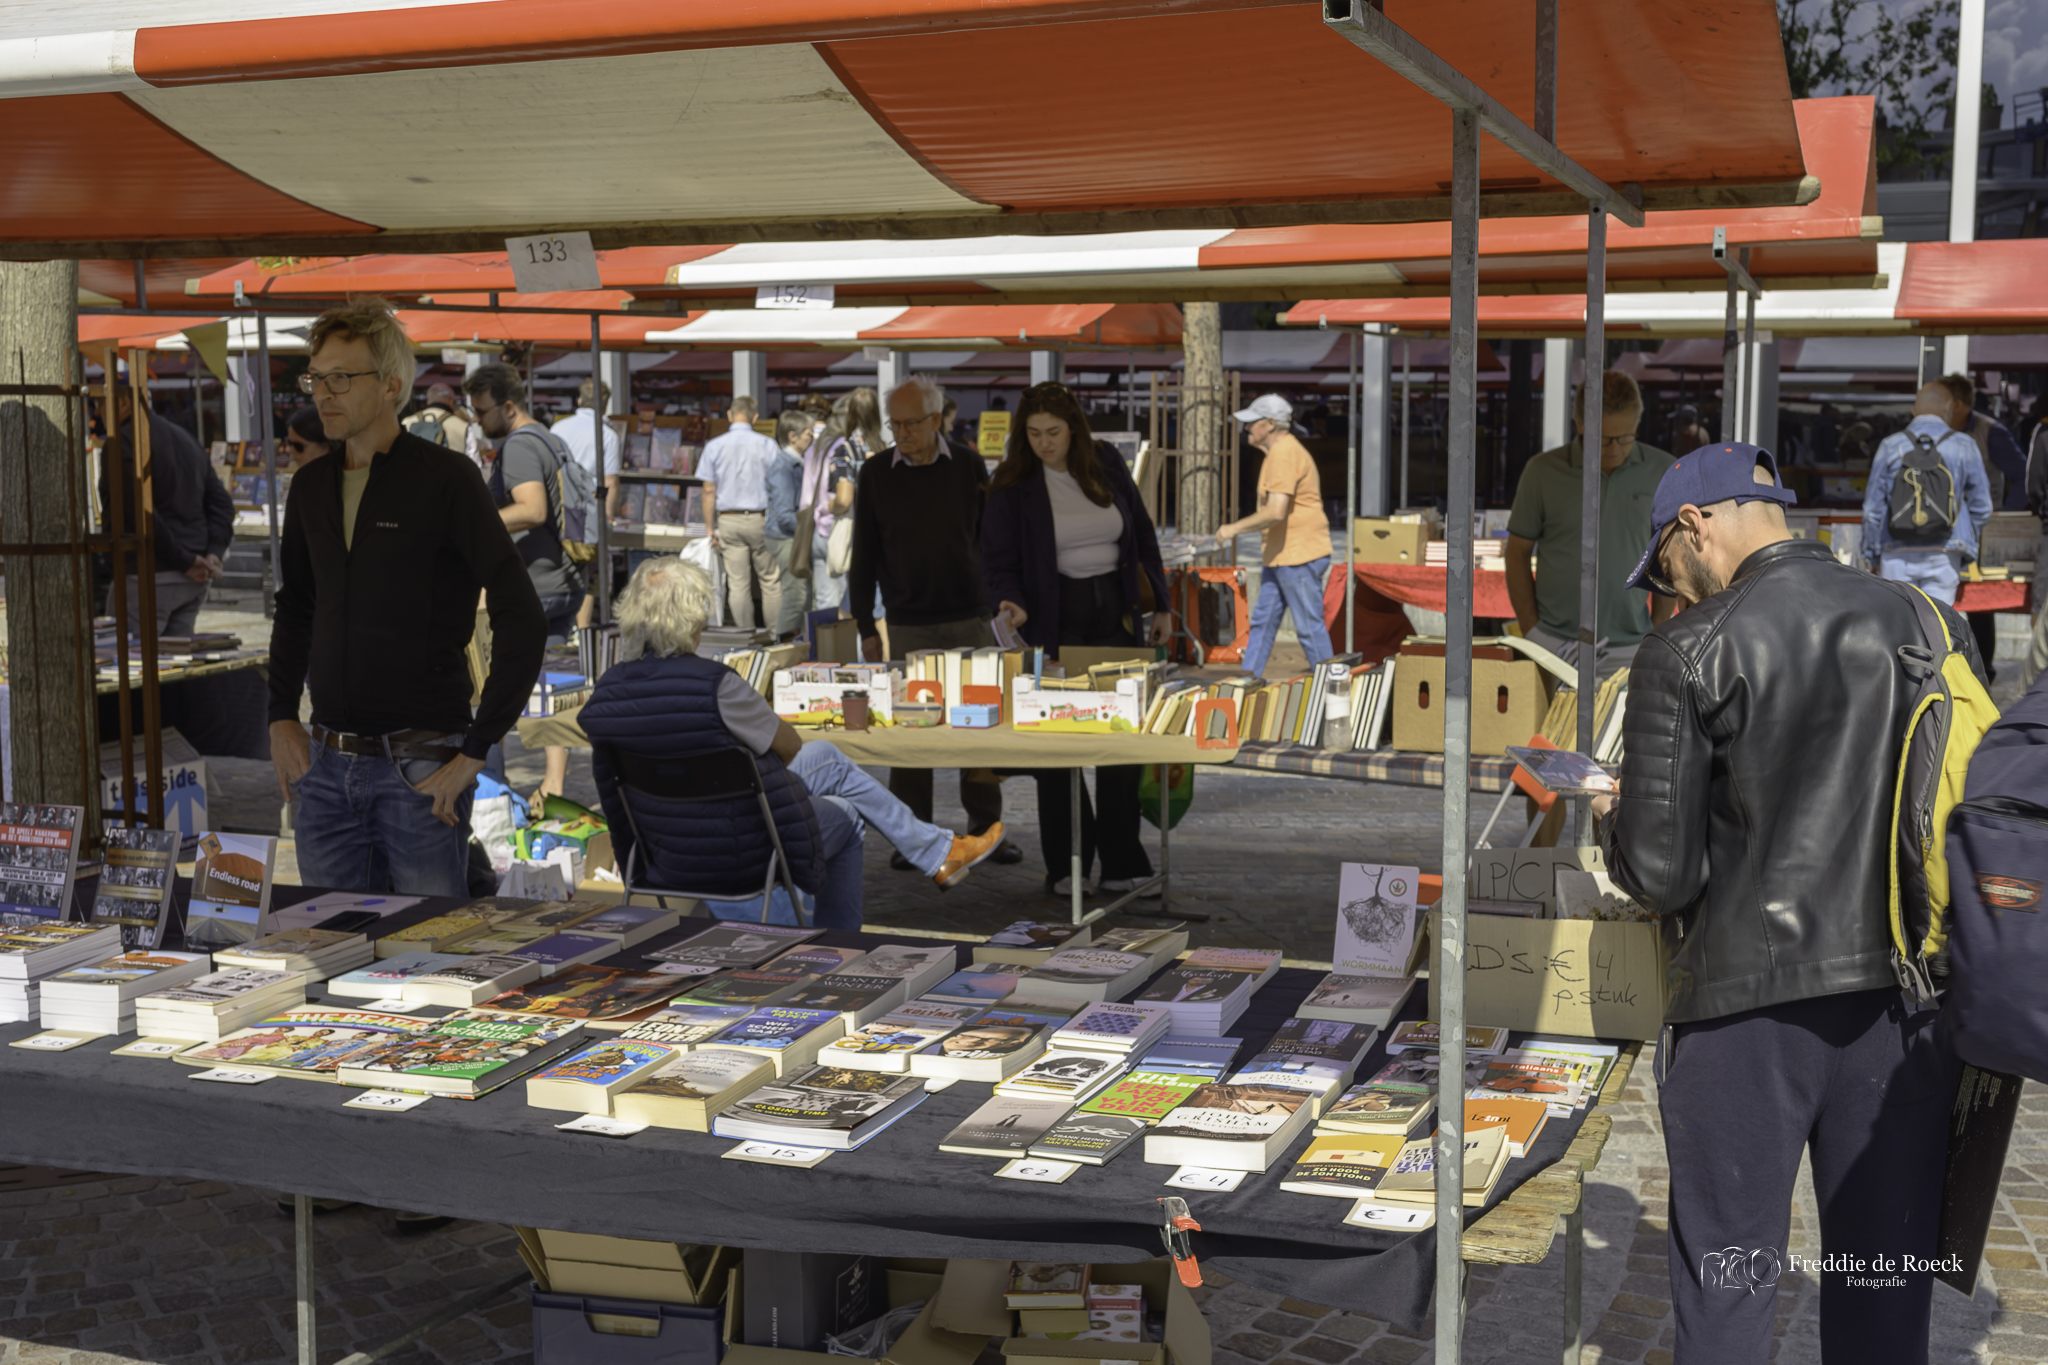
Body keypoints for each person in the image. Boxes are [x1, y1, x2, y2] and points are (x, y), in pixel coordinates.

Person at [1594, 440, 1977, 1365]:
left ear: (1695, 524)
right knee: (1884, 1298)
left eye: (1669, 565)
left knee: (1727, 1290)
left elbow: (1661, 875)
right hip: (1902, 1000)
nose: (1672, 588)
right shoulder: (1924, 618)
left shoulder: (1685, 646)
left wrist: (1612, 811)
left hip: (1740, 1018)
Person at [269, 297, 545, 899]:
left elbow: (521, 614)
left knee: (426, 958)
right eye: (316, 377)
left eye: (342, 377)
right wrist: (281, 716)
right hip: (326, 760)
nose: (324, 393)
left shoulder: (447, 479)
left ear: (391, 384)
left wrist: (477, 750)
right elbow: (296, 606)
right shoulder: (311, 484)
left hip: (421, 767)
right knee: (329, 950)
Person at [576, 557, 1003, 929]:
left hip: (662, 852)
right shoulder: (716, 686)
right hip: (742, 850)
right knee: (844, 804)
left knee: (824, 760)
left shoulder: (607, 693)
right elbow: (788, 747)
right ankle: (848, 936)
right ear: (693, 619)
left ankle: (936, 849)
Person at [983, 382, 1169, 899]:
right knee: (1058, 748)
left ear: (1074, 430)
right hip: (1052, 621)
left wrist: (1165, 607)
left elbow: (1143, 535)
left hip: (1117, 617)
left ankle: (1121, 861)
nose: (1045, 443)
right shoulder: (1011, 483)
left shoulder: (1105, 462)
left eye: (1054, 433)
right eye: (1034, 433)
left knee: (1122, 742)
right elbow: (996, 563)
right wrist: (1009, 601)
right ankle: (1067, 864)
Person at [848, 374, 1017, 864]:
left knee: (979, 727)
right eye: (894, 423)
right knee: (909, 735)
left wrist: (998, 600)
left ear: (936, 417)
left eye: (911, 423)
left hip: (969, 614)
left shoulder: (966, 463)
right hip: (907, 618)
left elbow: (990, 540)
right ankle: (911, 836)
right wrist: (865, 625)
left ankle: (987, 829)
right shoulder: (876, 472)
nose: (901, 432)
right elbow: (865, 553)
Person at [1503, 370, 1676, 677]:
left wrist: (1659, 629)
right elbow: (1516, 552)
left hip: (1632, 645)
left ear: (1638, 423)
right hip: (1554, 643)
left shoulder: (1662, 470)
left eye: (1624, 438)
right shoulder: (1542, 472)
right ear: (1579, 424)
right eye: (1602, 438)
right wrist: (1532, 630)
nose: (1614, 449)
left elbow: (1669, 553)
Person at [98, 369, 233, 638]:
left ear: (123, 402)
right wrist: (211, 554)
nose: (99, 412)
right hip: (191, 571)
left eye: (101, 403)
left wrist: (188, 559)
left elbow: (138, 511)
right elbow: (222, 504)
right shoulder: (184, 438)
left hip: (152, 573)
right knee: (174, 666)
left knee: (132, 665)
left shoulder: (124, 440)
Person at [461, 364, 583, 646]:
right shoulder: (549, 437)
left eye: (481, 412)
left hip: (538, 586)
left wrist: (473, 524)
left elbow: (533, 509)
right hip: (563, 581)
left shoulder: (519, 445)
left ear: (508, 407)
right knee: (546, 680)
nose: (477, 421)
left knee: (518, 681)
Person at [1216, 394, 1334, 677]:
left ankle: (1334, 692)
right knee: (1263, 623)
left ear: (1269, 424)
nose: (1246, 429)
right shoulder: (1281, 453)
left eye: (1251, 423)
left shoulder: (1283, 455)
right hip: (1285, 556)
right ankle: (1246, 683)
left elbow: (1275, 511)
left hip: (1297, 554)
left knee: (1307, 627)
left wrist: (1233, 528)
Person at [1861, 380, 1992, 609]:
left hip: (1896, 550)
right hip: (1945, 551)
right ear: (1949, 409)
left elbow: (1873, 510)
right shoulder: (1964, 445)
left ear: (1914, 411)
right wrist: (1964, 541)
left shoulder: (1890, 445)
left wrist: (1870, 555)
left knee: (1898, 624)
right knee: (1937, 626)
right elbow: (1982, 507)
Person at [698, 395, 785, 633]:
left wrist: (709, 527)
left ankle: (745, 636)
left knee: (738, 584)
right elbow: (780, 485)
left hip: (729, 518)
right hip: (761, 518)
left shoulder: (714, 445)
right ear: (755, 417)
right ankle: (776, 635)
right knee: (770, 581)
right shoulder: (767, 444)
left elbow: (708, 490)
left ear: (729, 415)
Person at [802, 409, 860, 614]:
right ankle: (844, 646)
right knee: (845, 603)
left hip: (818, 530)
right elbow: (843, 500)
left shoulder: (813, 449)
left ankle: (825, 646)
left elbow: (805, 500)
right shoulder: (843, 449)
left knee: (825, 602)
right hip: (838, 529)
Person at [1940, 372, 2027, 511]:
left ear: (1956, 405)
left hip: (1980, 525)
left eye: (1938, 402)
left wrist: (2005, 515)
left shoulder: (1991, 432)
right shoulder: (1935, 430)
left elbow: (2024, 476)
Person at [765, 409, 813, 639]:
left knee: (801, 596)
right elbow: (785, 515)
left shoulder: (796, 463)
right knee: (795, 595)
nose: (811, 438)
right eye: (808, 433)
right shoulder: (784, 467)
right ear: (792, 436)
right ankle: (782, 647)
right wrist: (808, 530)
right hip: (785, 538)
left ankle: (796, 645)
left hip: (790, 536)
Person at [553, 377, 623, 519]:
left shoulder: (557, 428)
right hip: (589, 509)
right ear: (605, 405)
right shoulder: (608, 436)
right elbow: (610, 481)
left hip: (558, 502)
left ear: (580, 401)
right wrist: (608, 517)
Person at [406, 383, 472, 454]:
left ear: (428, 401)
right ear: (451, 401)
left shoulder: (406, 422)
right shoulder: (463, 426)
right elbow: (474, 460)